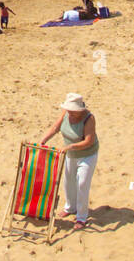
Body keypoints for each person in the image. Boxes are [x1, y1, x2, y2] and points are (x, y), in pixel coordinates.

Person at [39, 93, 99, 228]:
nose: (70, 113)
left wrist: (70, 146)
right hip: (71, 154)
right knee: (69, 181)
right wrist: (43, 140)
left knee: (82, 183)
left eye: (73, 112)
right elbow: (55, 127)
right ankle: (70, 207)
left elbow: (88, 141)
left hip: (87, 155)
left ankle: (82, 217)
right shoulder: (66, 113)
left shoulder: (89, 119)